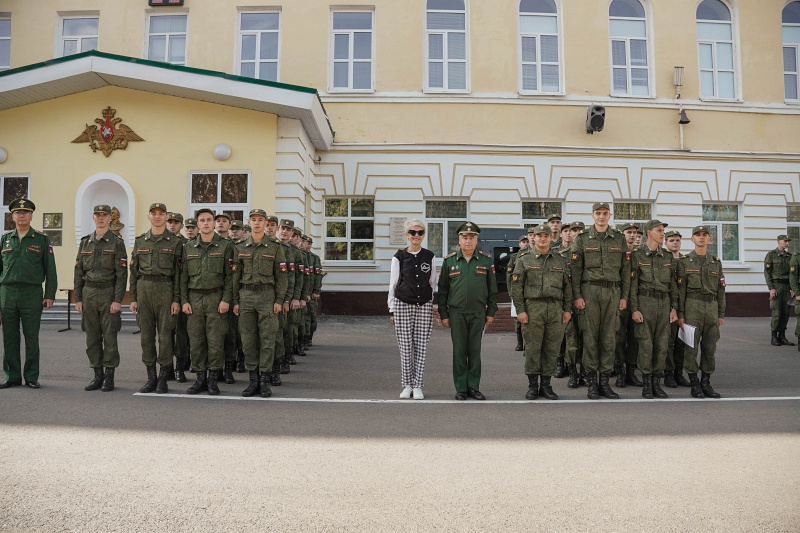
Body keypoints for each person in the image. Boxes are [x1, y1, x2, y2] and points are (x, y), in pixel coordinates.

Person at [570, 202, 630, 400]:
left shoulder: (619, 239)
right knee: (590, 338)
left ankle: (604, 382)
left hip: (613, 292)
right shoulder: (582, 238)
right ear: (593, 215)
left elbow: (626, 271)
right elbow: (575, 270)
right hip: (590, 291)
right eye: (598, 213)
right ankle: (591, 384)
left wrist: (624, 296)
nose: (601, 216)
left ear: (609, 215)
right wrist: (577, 295)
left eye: (605, 213)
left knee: (609, 338)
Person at [0, 198, 57, 389]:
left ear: (31, 216)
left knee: (31, 337)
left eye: (25, 212)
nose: (21, 215)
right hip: (7, 293)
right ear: (12, 216)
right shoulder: (5, 239)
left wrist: (49, 295)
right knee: (9, 337)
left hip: (31, 293)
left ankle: (31, 376)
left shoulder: (41, 240)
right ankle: (12, 376)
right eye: (18, 212)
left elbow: (50, 269)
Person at [438, 221, 498, 401]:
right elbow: (442, 291)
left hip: (478, 312)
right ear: (459, 239)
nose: (468, 241)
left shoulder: (486, 261)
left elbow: (492, 289)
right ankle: (461, 388)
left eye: (472, 237)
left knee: (474, 351)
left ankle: (473, 387)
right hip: (456, 313)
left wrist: (490, 312)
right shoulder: (449, 261)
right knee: (459, 351)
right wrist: (444, 314)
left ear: (476, 240)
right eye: (465, 237)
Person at [511, 224, 572, 400]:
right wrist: (520, 310)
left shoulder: (560, 260)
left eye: (546, 236)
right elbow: (517, 287)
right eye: (539, 236)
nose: (543, 239)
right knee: (533, 347)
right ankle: (532, 386)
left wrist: (567, 309)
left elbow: (567, 287)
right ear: (534, 238)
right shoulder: (524, 259)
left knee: (551, 348)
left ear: (551, 238)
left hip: (555, 308)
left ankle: (546, 385)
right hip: (533, 308)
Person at [233, 209, 288, 398]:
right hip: (246, 296)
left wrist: (279, 300)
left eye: (260, 220)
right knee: (248, 340)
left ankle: (265, 380)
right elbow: (235, 277)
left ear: (266, 223)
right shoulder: (240, 247)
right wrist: (235, 301)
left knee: (267, 339)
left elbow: (282, 277)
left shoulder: (275, 247)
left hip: (267, 297)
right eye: (253, 220)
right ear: (249, 222)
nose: (257, 223)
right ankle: (253, 380)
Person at [129, 202, 182, 394]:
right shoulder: (140, 241)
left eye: (161, 213)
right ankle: (151, 377)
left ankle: (163, 378)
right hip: (144, 290)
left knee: (166, 337)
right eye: (154, 213)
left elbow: (179, 274)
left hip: (166, 289)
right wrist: (133, 298)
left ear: (167, 217)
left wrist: (176, 299)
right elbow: (133, 272)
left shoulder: (176, 242)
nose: (157, 217)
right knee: (146, 336)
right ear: (149, 217)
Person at [74, 204, 128, 392]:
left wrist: (118, 300)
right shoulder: (85, 242)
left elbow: (122, 274)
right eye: (98, 215)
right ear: (93, 217)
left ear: (109, 218)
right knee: (92, 337)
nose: (101, 218)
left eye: (104, 215)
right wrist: (78, 298)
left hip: (108, 293)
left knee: (110, 336)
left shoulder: (117, 242)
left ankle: (109, 376)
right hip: (88, 293)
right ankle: (97, 375)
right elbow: (78, 272)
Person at [180, 208, 234, 395]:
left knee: (215, 341)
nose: (205, 223)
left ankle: (213, 379)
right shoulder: (188, 247)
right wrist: (184, 300)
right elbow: (183, 277)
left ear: (213, 223)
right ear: (197, 224)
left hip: (216, 298)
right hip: (194, 299)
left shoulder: (226, 246)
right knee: (196, 341)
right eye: (202, 220)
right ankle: (200, 378)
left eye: (209, 220)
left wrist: (226, 299)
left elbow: (230, 277)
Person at [388, 219, 437, 400]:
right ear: (407, 235)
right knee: (405, 347)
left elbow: (432, 282)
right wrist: (392, 309)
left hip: (423, 305)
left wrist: (428, 300)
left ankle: (418, 386)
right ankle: (407, 385)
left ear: (423, 235)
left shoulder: (429, 256)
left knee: (421, 347)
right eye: (413, 232)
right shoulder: (399, 256)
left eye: (420, 232)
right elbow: (393, 283)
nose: (416, 235)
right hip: (403, 304)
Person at [629, 220, 678, 399]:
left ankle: (657, 382)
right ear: (649, 232)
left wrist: (674, 308)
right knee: (646, 345)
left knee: (662, 346)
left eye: (663, 230)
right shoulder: (637, 255)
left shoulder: (667, 257)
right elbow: (632, 285)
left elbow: (673, 286)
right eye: (659, 230)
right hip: (645, 302)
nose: (662, 233)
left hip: (664, 304)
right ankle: (647, 383)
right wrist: (634, 309)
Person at [677, 226, 725, 399]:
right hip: (692, 306)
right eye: (698, 235)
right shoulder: (684, 261)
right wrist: (681, 314)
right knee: (691, 347)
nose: (702, 238)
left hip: (711, 307)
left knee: (709, 347)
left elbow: (721, 290)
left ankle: (706, 382)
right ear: (692, 239)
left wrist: (720, 313)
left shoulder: (715, 262)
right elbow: (680, 291)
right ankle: (694, 383)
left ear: (709, 239)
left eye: (705, 235)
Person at [615, 222, 643, 389]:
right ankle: (619, 372)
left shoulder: (640, 254)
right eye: (629, 232)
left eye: (634, 232)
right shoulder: (616, 253)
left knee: (635, 338)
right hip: (620, 301)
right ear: (621, 234)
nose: (632, 235)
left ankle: (631, 372)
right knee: (618, 338)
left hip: (637, 302)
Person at [663, 230, 690, 388]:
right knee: (669, 341)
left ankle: (679, 373)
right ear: (666, 242)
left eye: (677, 240)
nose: (675, 243)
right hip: (668, 305)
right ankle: (668, 373)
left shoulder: (686, 261)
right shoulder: (663, 259)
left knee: (682, 342)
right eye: (671, 240)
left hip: (685, 305)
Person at [562, 221, 587, 388]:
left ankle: (585, 373)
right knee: (571, 340)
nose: (576, 233)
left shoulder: (591, 253)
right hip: (570, 303)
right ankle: (572, 373)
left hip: (588, 301)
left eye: (580, 231)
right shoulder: (562, 256)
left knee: (587, 340)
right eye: (573, 230)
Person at [215, 212, 237, 384]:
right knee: (214, 335)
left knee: (230, 335)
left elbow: (235, 275)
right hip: (213, 295)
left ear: (229, 225)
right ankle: (215, 370)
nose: (221, 223)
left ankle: (228, 369)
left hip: (230, 296)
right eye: (218, 221)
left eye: (224, 221)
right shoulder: (210, 244)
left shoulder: (235, 246)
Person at [167, 212, 190, 382]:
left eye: (176, 222)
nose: (173, 225)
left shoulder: (187, 245)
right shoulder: (160, 242)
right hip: (165, 294)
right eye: (170, 222)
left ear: (181, 225)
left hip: (181, 295)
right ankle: (167, 367)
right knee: (166, 333)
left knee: (181, 334)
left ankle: (180, 368)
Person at [278, 219, 303, 371]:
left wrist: (296, 297)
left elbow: (298, 277)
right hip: (272, 296)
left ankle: (285, 358)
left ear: (292, 232)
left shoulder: (295, 252)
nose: (284, 232)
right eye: (283, 228)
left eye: (288, 230)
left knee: (287, 330)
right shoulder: (272, 246)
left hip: (288, 296)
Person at [764, 235, 794, 346]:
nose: (787, 243)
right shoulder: (771, 255)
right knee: (776, 312)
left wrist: (792, 289)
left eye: (788, 241)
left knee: (785, 313)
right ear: (778, 241)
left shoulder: (789, 256)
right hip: (776, 286)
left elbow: (792, 275)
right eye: (785, 241)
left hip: (786, 287)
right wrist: (771, 288)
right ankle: (774, 336)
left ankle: (782, 336)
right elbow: (767, 273)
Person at [506, 234, 529, 352]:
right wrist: (510, 291)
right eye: (523, 242)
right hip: (517, 291)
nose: (525, 243)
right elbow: (509, 275)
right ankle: (519, 342)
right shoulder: (514, 257)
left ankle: (528, 343)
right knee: (517, 318)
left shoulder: (532, 255)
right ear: (519, 244)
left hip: (528, 291)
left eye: (527, 241)